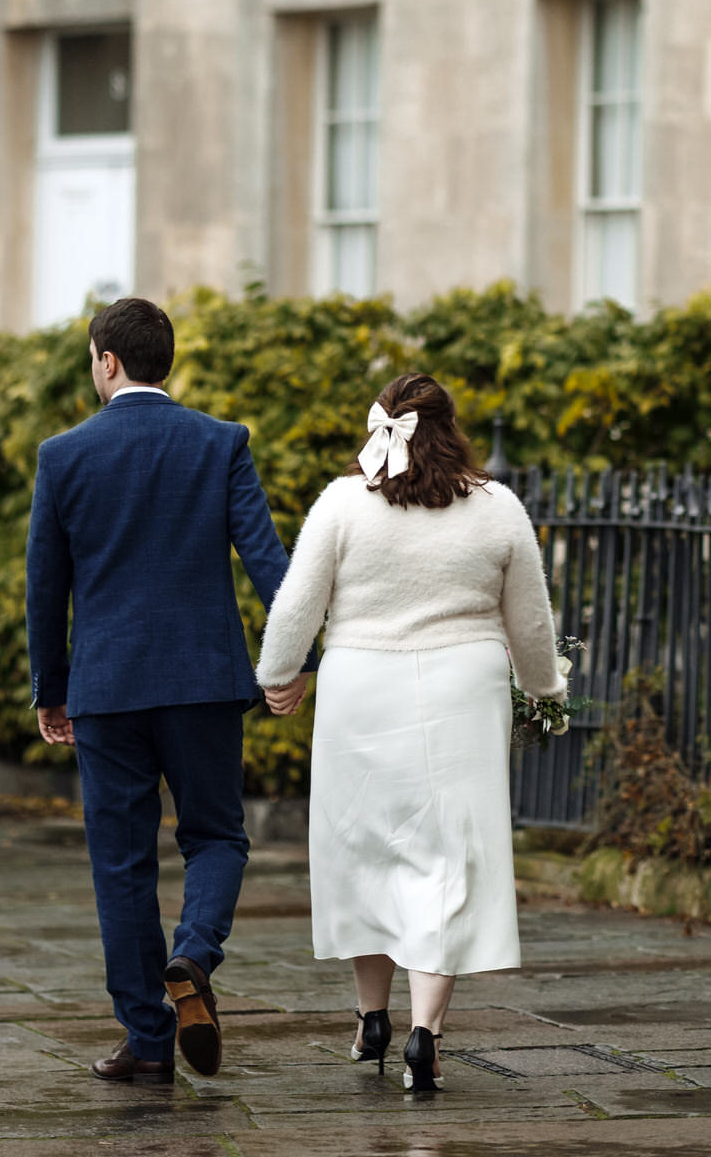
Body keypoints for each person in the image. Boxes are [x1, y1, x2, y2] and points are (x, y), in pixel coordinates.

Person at [254, 373, 567, 1095]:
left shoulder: (342, 502)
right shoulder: (496, 508)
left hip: (360, 687)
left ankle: (371, 1017)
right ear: (451, 427)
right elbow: (530, 615)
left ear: (383, 425)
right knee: (446, 856)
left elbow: (299, 598)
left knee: (365, 848)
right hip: (463, 689)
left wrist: (280, 673)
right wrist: (546, 684)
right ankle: (426, 1034)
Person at [25, 297, 297, 1084]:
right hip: (205, 679)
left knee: (121, 863)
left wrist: (52, 687)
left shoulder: (63, 455)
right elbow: (269, 561)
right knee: (216, 835)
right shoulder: (220, 443)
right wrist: (294, 657)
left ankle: (148, 1038)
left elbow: (46, 588)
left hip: (105, 687)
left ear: (107, 360)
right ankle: (194, 956)